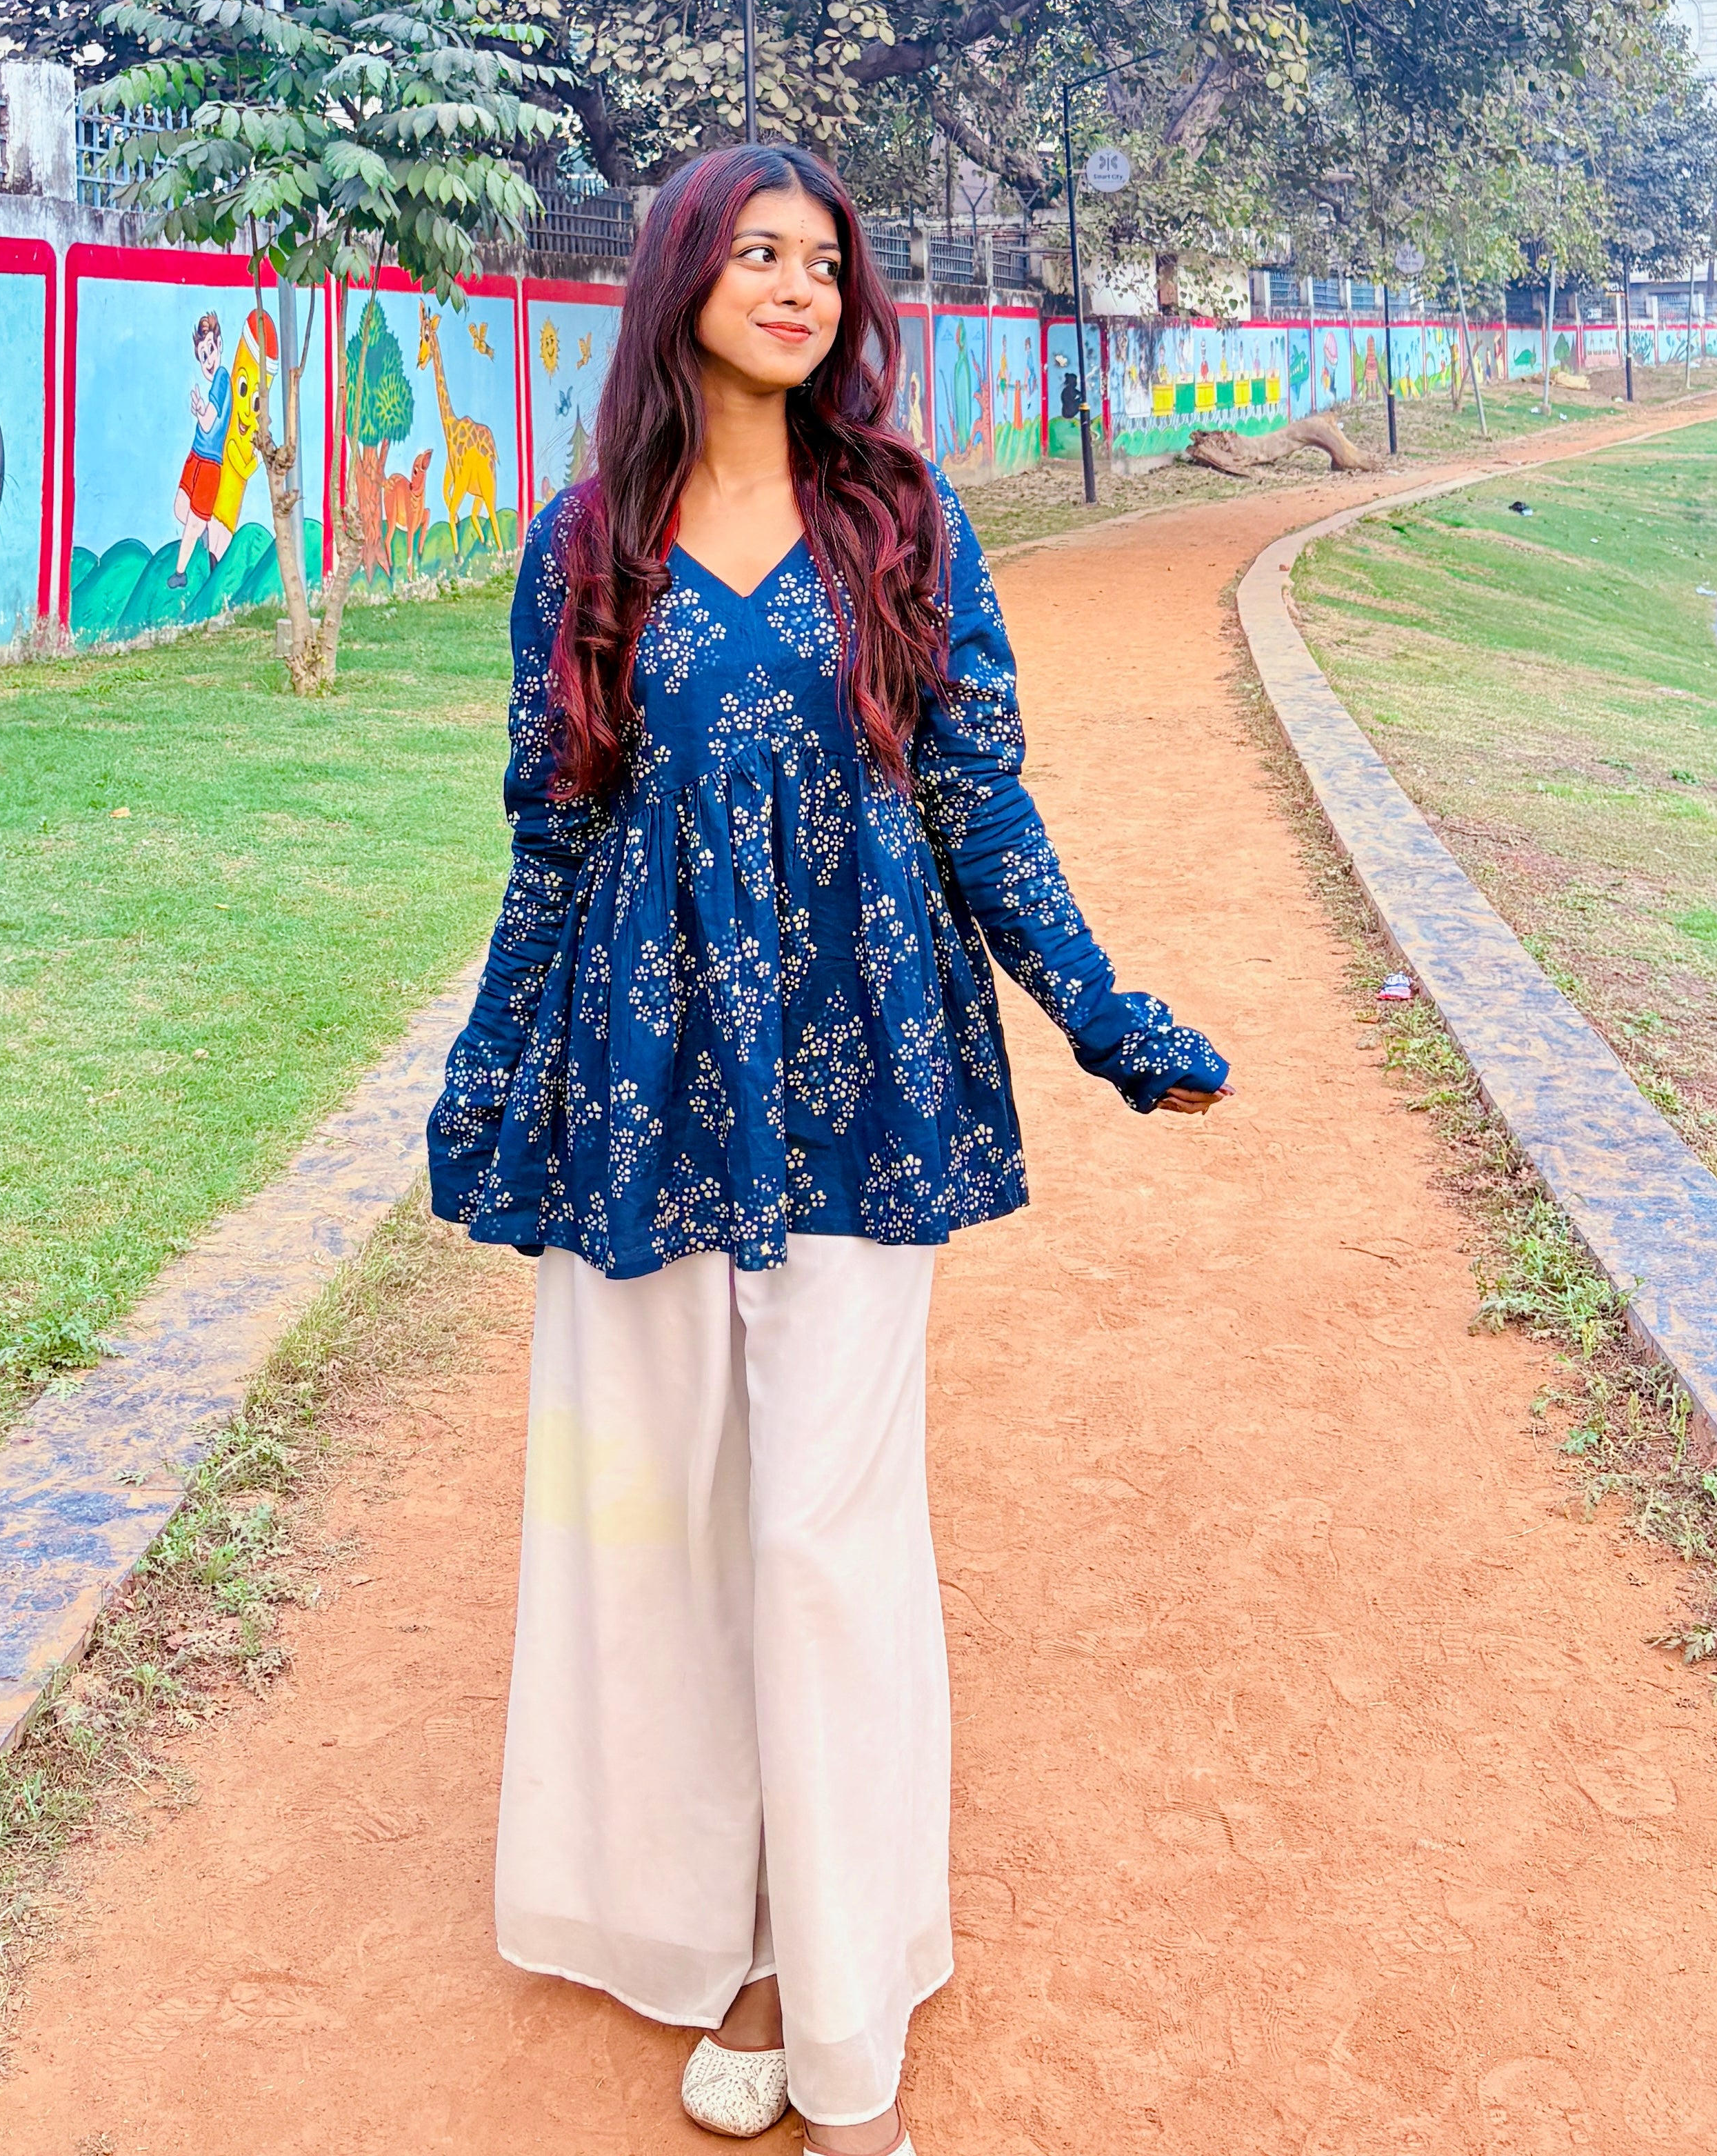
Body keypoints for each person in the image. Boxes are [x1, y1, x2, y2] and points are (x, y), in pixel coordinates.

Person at [429, 144, 1227, 2156]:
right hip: (646, 1077)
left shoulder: (901, 521)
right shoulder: (587, 545)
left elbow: (985, 803)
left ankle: (833, 1988)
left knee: (821, 1534)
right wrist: (488, 1068)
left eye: (822, 258)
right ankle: (707, 1914)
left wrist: (1106, 1013)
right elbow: (553, 834)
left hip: (872, 1074)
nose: (796, 283)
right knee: (672, 1523)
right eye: (757, 252)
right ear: (683, 278)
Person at [173, 310, 232, 578]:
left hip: (210, 463)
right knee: (181, 507)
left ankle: (180, 573)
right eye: (203, 356)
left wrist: (199, 410)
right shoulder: (214, 380)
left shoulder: (222, 378)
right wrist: (200, 409)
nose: (208, 360)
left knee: (195, 521)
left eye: (210, 350)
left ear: (219, 345)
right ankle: (211, 543)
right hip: (196, 454)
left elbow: (209, 422)